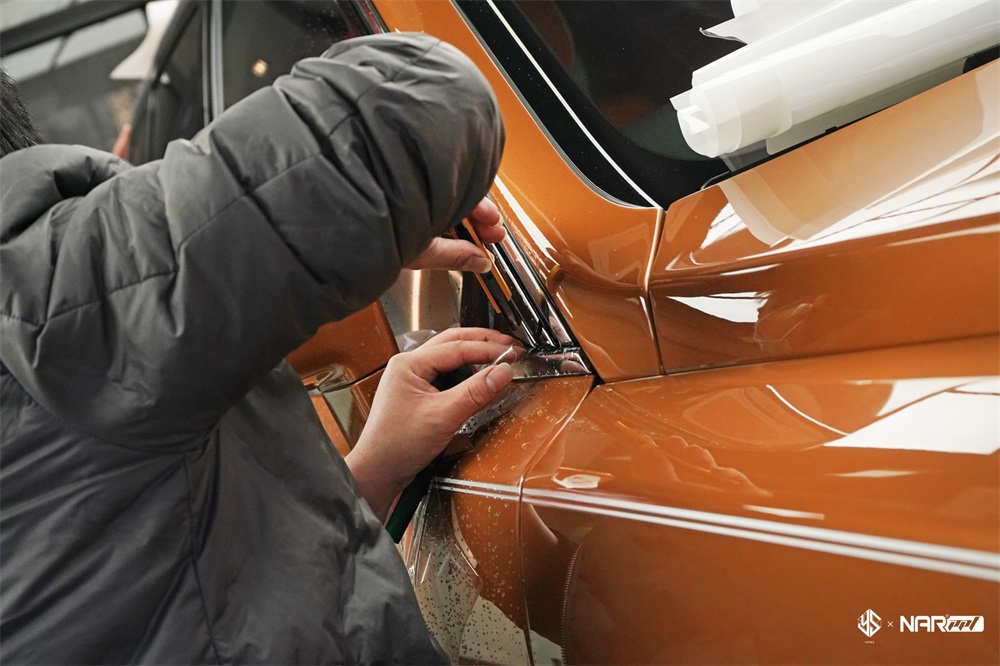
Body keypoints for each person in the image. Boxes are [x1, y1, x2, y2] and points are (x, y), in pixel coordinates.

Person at [0, 32, 516, 663]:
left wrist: (377, 466)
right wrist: (351, 220)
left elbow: (147, 596)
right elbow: (425, 96)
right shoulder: (48, 289)